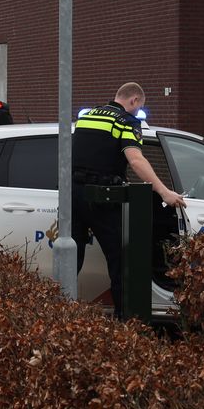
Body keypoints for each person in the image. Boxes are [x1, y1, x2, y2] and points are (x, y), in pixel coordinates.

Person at [72, 82, 186, 317]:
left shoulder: (88, 116)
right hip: (103, 198)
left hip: (74, 195)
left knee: (71, 259)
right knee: (121, 262)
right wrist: (164, 192)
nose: (137, 112)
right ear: (134, 101)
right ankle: (125, 324)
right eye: (138, 107)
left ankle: (57, 318)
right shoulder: (126, 121)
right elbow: (136, 160)